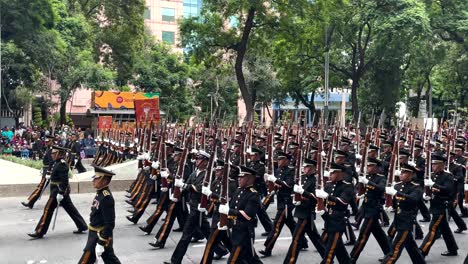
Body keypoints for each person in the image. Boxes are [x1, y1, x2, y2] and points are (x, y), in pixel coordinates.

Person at [28, 145, 87, 239]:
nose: (52, 155)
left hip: (58, 191)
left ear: (59, 154)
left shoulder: (62, 164)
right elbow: (51, 170)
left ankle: (40, 231)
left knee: (48, 210)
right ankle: (82, 225)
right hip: (57, 190)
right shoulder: (56, 162)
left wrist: (61, 192)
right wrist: (48, 175)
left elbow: (64, 181)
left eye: (54, 153)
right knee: (70, 209)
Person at [381, 163, 425, 264]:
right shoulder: (397, 186)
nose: (401, 174)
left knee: (395, 249)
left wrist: (396, 193)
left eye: (404, 173)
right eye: (401, 172)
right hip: (398, 220)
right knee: (411, 247)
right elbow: (393, 200)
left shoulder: (416, 188)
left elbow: (413, 200)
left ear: (411, 175)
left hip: (407, 221)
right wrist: (388, 203)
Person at [218, 165, 263, 264]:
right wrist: (225, 221)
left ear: (250, 179)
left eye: (242, 177)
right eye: (239, 177)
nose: (239, 179)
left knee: (233, 260)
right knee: (251, 259)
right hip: (236, 230)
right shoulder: (238, 190)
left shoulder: (253, 194)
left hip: (245, 232)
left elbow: (247, 215)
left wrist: (228, 211)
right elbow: (234, 208)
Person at [350, 157, 391, 263]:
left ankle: (352, 257)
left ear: (377, 167)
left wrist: (368, 182)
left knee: (363, 234)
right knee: (379, 233)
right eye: (367, 165)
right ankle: (389, 253)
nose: (368, 167)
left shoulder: (381, 178)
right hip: (366, 207)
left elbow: (381, 189)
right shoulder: (366, 176)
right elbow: (358, 188)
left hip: (374, 209)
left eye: (370, 166)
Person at [285, 158, 325, 264]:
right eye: (304, 167)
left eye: (307, 167)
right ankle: (327, 259)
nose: (305, 168)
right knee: (315, 238)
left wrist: (303, 193)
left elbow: (317, 198)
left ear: (313, 168)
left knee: (296, 239)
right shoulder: (302, 178)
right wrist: (296, 197)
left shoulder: (316, 180)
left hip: (307, 212)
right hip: (300, 210)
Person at [78, 165, 121, 264]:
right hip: (95, 234)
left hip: (99, 235)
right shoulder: (100, 193)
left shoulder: (106, 198)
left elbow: (109, 223)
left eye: (96, 178)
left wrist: (101, 242)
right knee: (111, 260)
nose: (93, 180)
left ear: (104, 181)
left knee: (85, 260)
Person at [419, 155, 459, 257]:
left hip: (442, 206)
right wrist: (426, 194)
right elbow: (428, 189)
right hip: (434, 205)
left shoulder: (448, 176)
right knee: (444, 229)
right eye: (433, 164)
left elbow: (448, 189)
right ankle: (452, 249)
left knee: (433, 229)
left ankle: (422, 251)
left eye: (436, 164)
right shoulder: (432, 175)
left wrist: (434, 185)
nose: (433, 166)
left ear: (442, 165)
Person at [316, 162, 353, 264]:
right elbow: (322, 200)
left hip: (338, 221)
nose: (330, 175)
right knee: (339, 249)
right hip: (328, 219)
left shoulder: (347, 186)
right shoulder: (328, 185)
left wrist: (327, 196)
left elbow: (343, 201)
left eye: (333, 173)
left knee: (330, 252)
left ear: (340, 173)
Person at [21, 135, 54, 209]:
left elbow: (51, 162)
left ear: (51, 141)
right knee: (56, 187)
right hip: (46, 169)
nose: (46, 143)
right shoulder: (48, 149)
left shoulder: (51, 149)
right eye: (46, 141)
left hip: (48, 171)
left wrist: (48, 171)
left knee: (40, 187)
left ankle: (31, 203)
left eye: (48, 141)